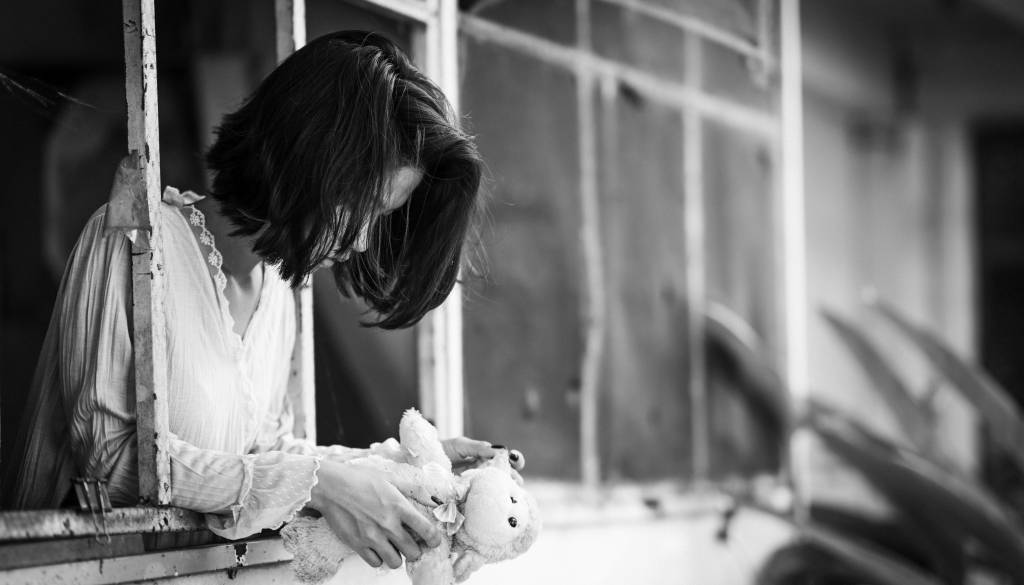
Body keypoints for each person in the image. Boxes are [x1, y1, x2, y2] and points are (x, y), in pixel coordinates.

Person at [3, 30, 520, 571]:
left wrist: (406, 472)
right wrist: (318, 485)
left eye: (381, 216)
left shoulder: (277, 291)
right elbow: (110, 463)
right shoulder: (134, 246)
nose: (366, 240)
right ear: (310, 160)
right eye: (362, 206)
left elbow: (264, 462)